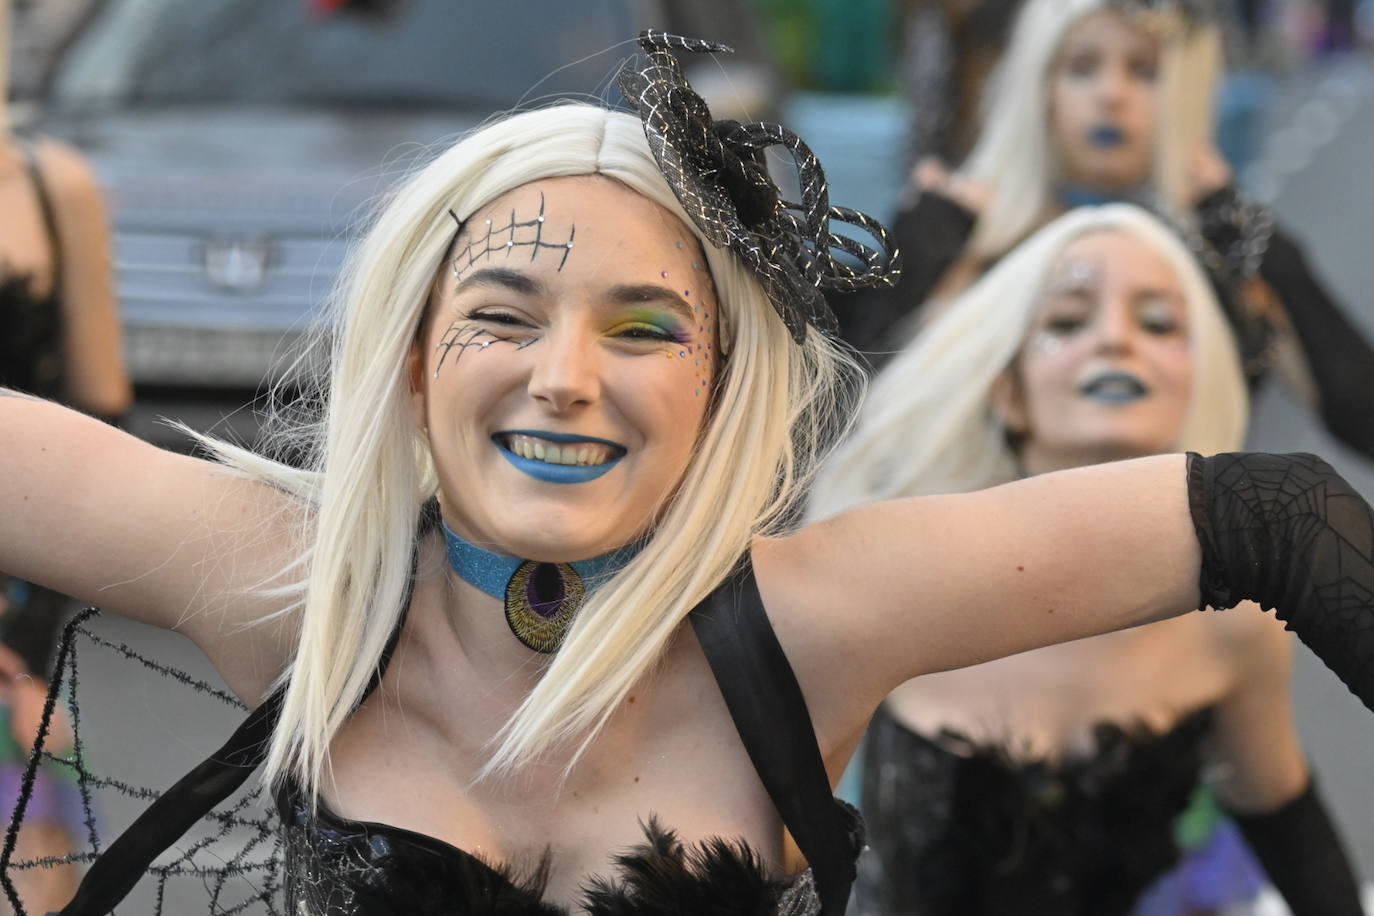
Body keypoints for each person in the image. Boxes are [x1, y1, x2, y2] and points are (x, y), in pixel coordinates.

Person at [1, 33, 1373, 916]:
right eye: (503, 313)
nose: (564, 376)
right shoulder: (300, 591)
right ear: (416, 359)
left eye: (642, 328)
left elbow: (1281, 516)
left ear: (717, 386)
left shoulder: (807, 621)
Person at [810, 204, 1364, 915]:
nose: (1115, 340)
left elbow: (1291, 828)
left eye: (1159, 322)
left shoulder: (1238, 628)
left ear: (1202, 374)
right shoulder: (894, 582)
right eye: (1068, 322)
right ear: (1008, 392)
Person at [836, 0, 1374, 462]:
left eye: (1144, 70)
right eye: (1082, 67)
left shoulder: (1227, 248)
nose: (1111, 94)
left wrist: (1263, 249)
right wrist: (921, 252)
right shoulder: (964, 239)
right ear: (1041, 86)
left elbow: (1360, 410)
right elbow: (844, 416)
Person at [0, 3, 129, 911]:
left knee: (37, 861)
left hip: (20, 601)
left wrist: (28, 651)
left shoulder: (55, 188)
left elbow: (102, 429)